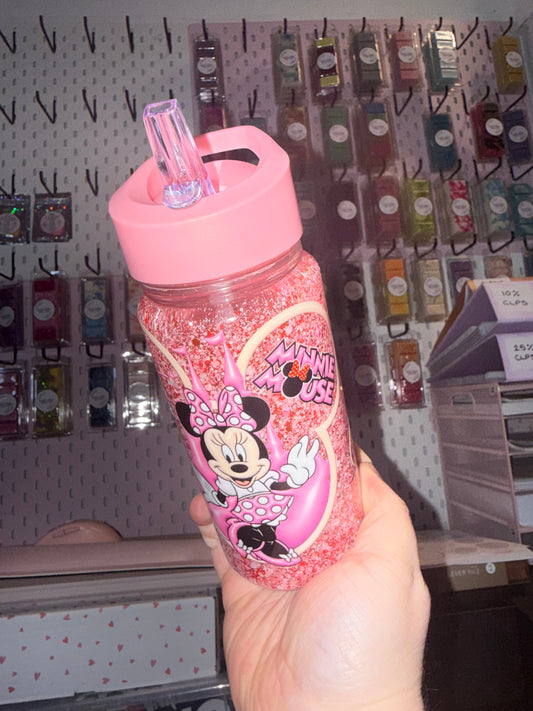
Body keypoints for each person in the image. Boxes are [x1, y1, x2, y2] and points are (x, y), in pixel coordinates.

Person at [190, 448, 431, 711]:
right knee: (244, 531)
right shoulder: (230, 485)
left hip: (287, 541)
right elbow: (222, 494)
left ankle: (269, 543)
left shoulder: (267, 479)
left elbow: (279, 483)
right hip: (251, 545)